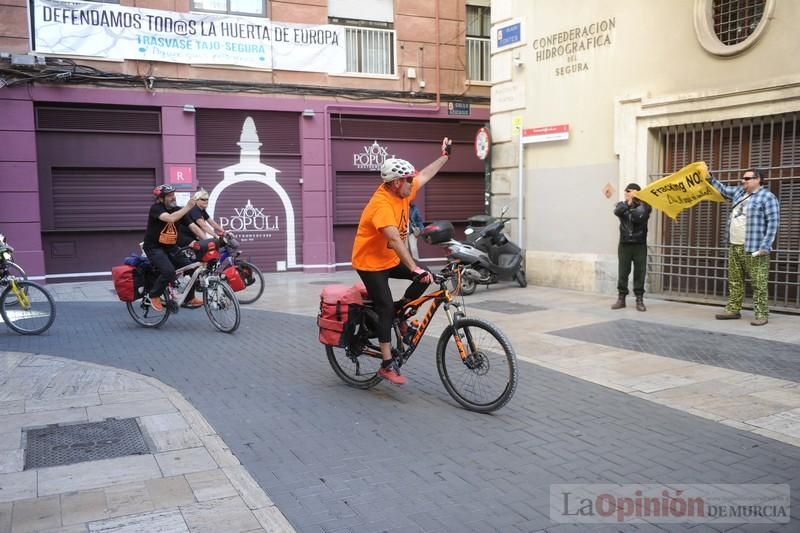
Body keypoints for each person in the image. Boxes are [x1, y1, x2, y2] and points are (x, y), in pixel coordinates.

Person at [352, 138, 452, 385]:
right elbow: (396, 240)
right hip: (369, 263)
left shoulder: (403, 192)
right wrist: (413, 267)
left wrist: (445, 156)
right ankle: (386, 364)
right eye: (409, 179)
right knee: (385, 304)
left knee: (424, 276)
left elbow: (426, 175)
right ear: (396, 182)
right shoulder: (381, 205)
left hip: (388, 258)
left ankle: (399, 314)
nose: (413, 182)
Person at [707, 166, 780, 326]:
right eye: (743, 178)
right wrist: (710, 178)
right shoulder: (739, 192)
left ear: (758, 179)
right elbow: (724, 189)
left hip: (755, 248)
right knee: (735, 280)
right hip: (734, 245)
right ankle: (733, 309)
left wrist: (765, 246)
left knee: (758, 282)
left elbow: (773, 224)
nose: (743, 181)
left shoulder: (767, 197)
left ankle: (761, 314)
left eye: (747, 179)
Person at [142, 185, 203, 311]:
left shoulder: (177, 209)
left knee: (192, 267)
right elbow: (170, 218)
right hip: (154, 248)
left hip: (170, 247)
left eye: (173, 195)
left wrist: (206, 240)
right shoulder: (156, 208)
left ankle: (189, 298)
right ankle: (153, 295)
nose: (173, 197)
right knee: (168, 271)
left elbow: (193, 227)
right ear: (161, 199)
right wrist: (188, 207)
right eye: (169, 196)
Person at [611, 183, 652, 311]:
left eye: (630, 191)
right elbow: (617, 211)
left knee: (640, 272)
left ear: (637, 193)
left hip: (639, 244)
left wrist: (636, 201)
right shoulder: (621, 205)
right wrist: (628, 203)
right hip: (624, 244)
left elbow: (639, 216)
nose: (627, 193)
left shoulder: (645, 206)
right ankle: (621, 298)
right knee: (623, 272)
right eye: (626, 191)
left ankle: (639, 299)